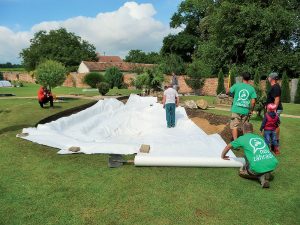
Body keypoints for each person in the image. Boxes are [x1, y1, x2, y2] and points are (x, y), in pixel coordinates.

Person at [221, 122, 278, 188]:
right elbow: (268, 150)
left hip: (256, 168)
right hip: (272, 165)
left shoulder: (242, 138)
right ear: (252, 130)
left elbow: (228, 146)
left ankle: (260, 176)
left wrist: (223, 156)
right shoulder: (259, 138)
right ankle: (265, 174)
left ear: (243, 130)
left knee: (241, 172)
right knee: (250, 156)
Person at [226, 72, 257, 140]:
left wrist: (227, 89)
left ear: (242, 78)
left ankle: (236, 142)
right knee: (244, 126)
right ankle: (245, 141)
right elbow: (253, 101)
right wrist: (251, 110)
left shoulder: (237, 85)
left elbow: (227, 92)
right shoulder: (251, 89)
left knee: (234, 126)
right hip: (245, 111)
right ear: (249, 79)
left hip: (236, 109)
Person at [265, 72, 283, 145]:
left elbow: (277, 99)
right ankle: (272, 140)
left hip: (275, 109)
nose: (268, 78)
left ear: (272, 78)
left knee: (275, 125)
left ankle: (276, 141)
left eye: (269, 77)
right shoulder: (274, 86)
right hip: (272, 109)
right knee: (272, 124)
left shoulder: (275, 87)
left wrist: (274, 110)